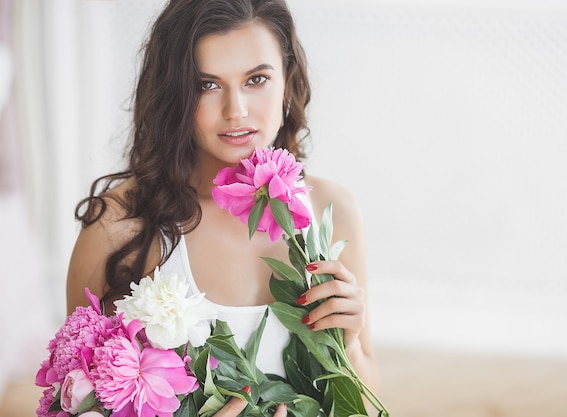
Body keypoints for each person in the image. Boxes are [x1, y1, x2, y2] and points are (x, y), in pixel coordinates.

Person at [66, 0, 380, 415]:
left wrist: (351, 347)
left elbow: (365, 402)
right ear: (172, 93)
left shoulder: (333, 210)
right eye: (206, 85)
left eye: (257, 79)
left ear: (287, 79)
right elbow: (73, 398)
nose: (237, 111)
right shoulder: (118, 228)